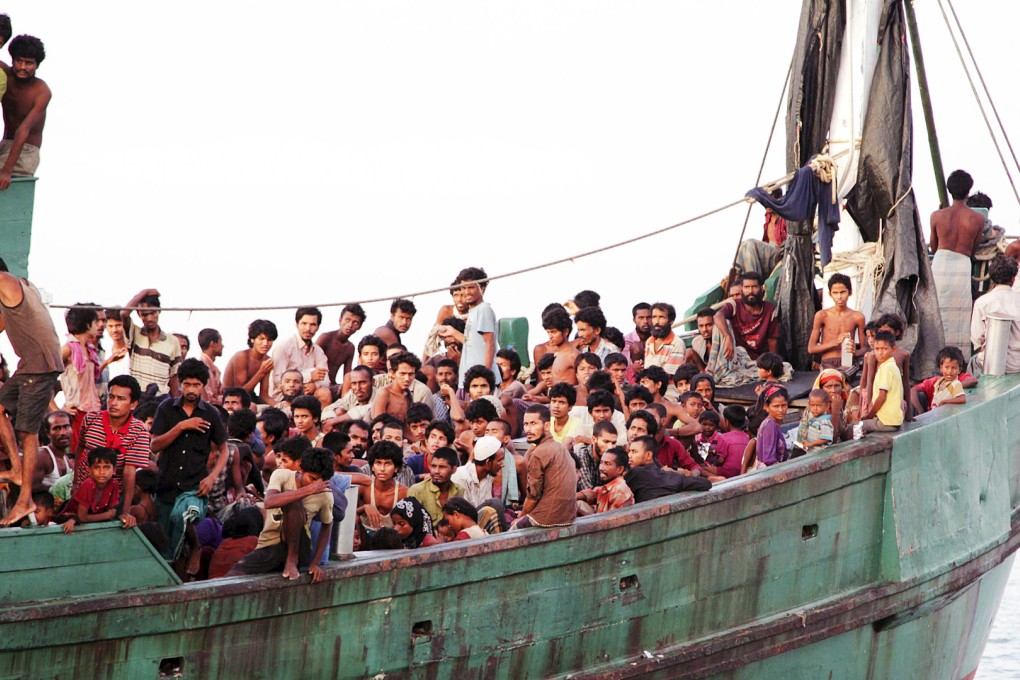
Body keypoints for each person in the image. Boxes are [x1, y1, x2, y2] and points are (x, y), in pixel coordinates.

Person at [0, 257, 63, 526]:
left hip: (38, 365)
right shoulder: (23, 287)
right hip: (31, 365)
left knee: (28, 432)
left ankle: (25, 499)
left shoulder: (4, 281)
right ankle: (16, 467)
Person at [150, 359, 229, 566]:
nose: (191, 389)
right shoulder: (167, 408)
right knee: (166, 545)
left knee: (183, 515)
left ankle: (196, 546)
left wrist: (211, 477)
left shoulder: (211, 413)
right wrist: (181, 427)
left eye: (196, 385)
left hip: (194, 487)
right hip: (167, 485)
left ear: (203, 386)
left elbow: (224, 450)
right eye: (187, 384)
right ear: (180, 384)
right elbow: (154, 445)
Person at [228, 447, 334, 582]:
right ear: (301, 469)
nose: (315, 484)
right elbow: (269, 502)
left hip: (299, 547)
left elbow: (327, 526)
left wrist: (316, 562)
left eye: (318, 481)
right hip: (271, 544)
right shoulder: (282, 475)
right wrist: (308, 490)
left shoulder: (325, 495)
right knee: (233, 576)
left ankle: (291, 559)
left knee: (293, 502)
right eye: (312, 478)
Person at [72, 374, 151, 526]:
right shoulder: (90, 419)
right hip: (84, 491)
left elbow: (129, 471)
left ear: (133, 404)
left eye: (121, 399)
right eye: (111, 397)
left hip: (112, 497)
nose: (113, 403)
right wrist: (75, 482)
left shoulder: (139, 430)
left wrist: (125, 511)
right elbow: (80, 450)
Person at [930, 170, 986, 354]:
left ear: (949, 189)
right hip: (962, 263)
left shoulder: (937, 215)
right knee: (960, 317)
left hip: (940, 263)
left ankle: (935, 357)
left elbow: (933, 246)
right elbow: (974, 248)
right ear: (968, 191)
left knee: (937, 311)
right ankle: (957, 360)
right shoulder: (978, 218)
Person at [511, 405, 578, 529]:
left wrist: (523, 516)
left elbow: (533, 496)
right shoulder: (559, 446)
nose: (528, 429)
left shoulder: (538, 453)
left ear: (547, 426)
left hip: (546, 519)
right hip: (568, 516)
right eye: (526, 424)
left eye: (533, 424)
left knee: (511, 531)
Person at [0, 35, 50, 189]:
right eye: (19, 61)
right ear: (12, 60)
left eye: (29, 63)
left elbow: (23, 130)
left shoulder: (41, 91)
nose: (22, 67)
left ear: (37, 65)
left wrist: (7, 171)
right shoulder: (5, 75)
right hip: (5, 146)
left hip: (26, 151)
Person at [437, 268, 499, 388]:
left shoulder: (483, 309)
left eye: (471, 287)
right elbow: (473, 342)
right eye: (463, 288)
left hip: (479, 383)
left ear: (482, 288)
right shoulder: (473, 311)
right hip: (470, 380)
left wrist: (483, 378)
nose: (466, 292)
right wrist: (453, 332)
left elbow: (489, 344)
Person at [120, 289, 182, 397]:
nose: (149, 318)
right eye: (144, 314)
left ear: (159, 311)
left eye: (153, 313)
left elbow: (173, 377)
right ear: (139, 314)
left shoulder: (172, 341)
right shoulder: (134, 333)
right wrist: (144, 293)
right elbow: (124, 313)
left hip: (161, 398)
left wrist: (175, 404)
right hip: (138, 397)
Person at [58, 447, 132, 534]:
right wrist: (106, 515)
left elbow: (112, 511)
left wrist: (110, 515)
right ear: (90, 470)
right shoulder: (88, 485)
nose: (102, 472)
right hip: (69, 521)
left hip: (92, 525)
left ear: (114, 470)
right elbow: (82, 517)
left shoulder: (114, 484)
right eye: (97, 467)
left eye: (106, 467)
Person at [59, 304, 103, 446]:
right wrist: (57, 409)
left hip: (93, 411)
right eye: (96, 322)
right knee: (77, 456)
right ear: (88, 325)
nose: (99, 326)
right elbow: (44, 377)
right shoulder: (68, 349)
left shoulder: (90, 350)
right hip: (77, 411)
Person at [713, 270, 779, 364]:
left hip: (759, 360)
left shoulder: (769, 309)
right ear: (742, 290)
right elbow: (717, 316)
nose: (750, 291)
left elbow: (772, 340)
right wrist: (728, 337)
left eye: (754, 287)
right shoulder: (734, 305)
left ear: (761, 288)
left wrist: (773, 363)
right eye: (747, 287)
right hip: (736, 358)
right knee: (722, 323)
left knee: (786, 368)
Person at [970, 254, 1020, 375]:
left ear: (992, 278)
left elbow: (977, 339)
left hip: (992, 364)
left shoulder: (982, 302)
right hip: (1018, 365)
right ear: (1013, 279)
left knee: (973, 362)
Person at [625, 436, 711, 503]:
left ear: (648, 455)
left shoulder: (635, 473)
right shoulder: (671, 476)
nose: (629, 455)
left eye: (634, 451)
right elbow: (706, 484)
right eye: (629, 451)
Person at [808, 274, 867, 369]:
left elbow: (865, 348)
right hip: (828, 362)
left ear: (850, 292)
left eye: (843, 292)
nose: (839, 296)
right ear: (830, 294)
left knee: (845, 381)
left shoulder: (858, 317)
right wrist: (835, 342)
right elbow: (811, 348)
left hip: (848, 363)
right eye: (835, 293)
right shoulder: (822, 315)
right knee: (832, 380)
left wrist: (855, 352)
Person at [270, 308, 329, 402]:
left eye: (313, 324)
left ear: (318, 327)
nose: (308, 328)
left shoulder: (318, 351)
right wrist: (309, 376)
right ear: (297, 324)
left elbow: (326, 380)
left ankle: (323, 417)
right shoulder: (283, 347)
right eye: (304, 323)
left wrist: (315, 385)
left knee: (324, 393)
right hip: (283, 398)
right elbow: (278, 380)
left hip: (306, 395)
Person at [357, 440, 408, 539]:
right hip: (364, 541)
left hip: (393, 542)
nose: (382, 469)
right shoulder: (363, 487)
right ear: (372, 466)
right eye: (378, 463)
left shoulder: (404, 492)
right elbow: (347, 514)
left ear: (396, 468)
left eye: (388, 464)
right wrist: (364, 508)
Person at [223, 319, 278, 404]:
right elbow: (240, 393)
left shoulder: (267, 360)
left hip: (251, 398)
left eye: (269, 340)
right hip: (230, 399)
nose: (265, 343)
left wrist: (281, 407)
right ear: (252, 339)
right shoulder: (241, 357)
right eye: (261, 339)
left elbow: (264, 395)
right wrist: (261, 372)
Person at [316, 304, 367, 393]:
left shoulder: (350, 347)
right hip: (317, 383)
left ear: (359, 326)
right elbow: (310, 359)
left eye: (355, 322)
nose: (350, 325)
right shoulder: (326, 338)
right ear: (340, 320)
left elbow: (347, 375)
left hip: (332, 385)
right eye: (347, 320)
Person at [861, 331, 905, 434]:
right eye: (877, 349)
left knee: (854, 426)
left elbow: (881, 397)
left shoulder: (887, 368)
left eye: (884, 349)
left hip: (886, 422)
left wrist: (869, 416)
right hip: (893, 420)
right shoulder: (891, 366)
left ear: (893, 349)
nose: (880, 353)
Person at [407, 446, 463, 525]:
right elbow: (411, 525)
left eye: (442, 467)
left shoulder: (459, 490)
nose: (436, 471)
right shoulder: (417, 491)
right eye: (433, 466)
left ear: (453, 469)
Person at [911, 346, 971, 414]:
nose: (949, 371)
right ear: (941, 368)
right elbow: (913, 390)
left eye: (953, 368)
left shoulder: (956, 383)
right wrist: (920, 410)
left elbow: (962, 399)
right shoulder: (937, 382)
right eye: (947, 367)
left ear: (959, 370)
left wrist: (945, 400)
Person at [576, 446, 634, 515]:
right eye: (601, 462)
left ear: (620, 469)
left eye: (607, 464)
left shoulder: (620, 492)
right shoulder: (608, 487)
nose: (601, 468)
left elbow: (610, 522)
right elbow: (593, 494)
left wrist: (580, 512)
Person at [372, 352, 421, 427]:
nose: (407, 379)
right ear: (393, 373)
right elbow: (378, 425)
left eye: (411, 374)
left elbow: (405, 428)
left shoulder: (408, 396)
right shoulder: (384, 393)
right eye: (402, 374)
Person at [699, 405, 749, 479]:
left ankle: (719, 479)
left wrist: (714, 464)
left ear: (727, 422)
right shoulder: (746, 437)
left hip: (727, 471)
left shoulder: (723, 437)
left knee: (700, 468)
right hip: (743, 470)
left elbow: (720, 460)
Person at [644, 302, 687, 377]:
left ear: (671, 321)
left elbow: (668, 375)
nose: (657, 321)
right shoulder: (649, 342)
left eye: (661, 317)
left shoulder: (677, 343)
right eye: (654, 317)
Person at [34, 411, 72, 493]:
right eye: (57, 428)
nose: (63, 433)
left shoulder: (68, 461)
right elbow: (32, 487)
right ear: (48, 433)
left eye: (66, 427)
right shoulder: (42, 456)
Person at [542, 307, 580, 385]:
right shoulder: (556, 354)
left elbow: (582, 386)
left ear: (565, 331)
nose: (550, 336)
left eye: (554, 332)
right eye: (548, 332)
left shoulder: (573, 355)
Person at [756, 387, 789, 465]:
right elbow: (769, 460)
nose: (781, 410)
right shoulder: (770, 425)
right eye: (776, 406)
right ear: (766, 407)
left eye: (783, 405)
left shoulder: (772, 423)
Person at [623, 303, 652, 381]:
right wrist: (632, 368)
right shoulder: (626, 340)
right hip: (632, 380)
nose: (645, 321)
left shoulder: (658, 339)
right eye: (641, 318)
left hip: (654, 378)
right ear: (634, 320)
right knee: (636, 347)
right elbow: (623, 365)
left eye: (649, 317)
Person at [196, 328, 225, 406]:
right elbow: (208, 398)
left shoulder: (216, 370)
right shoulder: (200, 368)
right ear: (213, 344)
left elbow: (223, 392)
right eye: (220, 342)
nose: (223, 346)